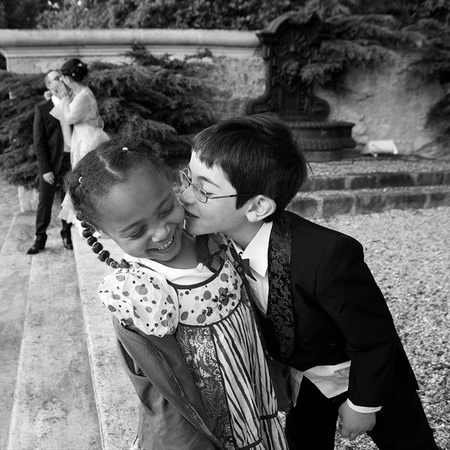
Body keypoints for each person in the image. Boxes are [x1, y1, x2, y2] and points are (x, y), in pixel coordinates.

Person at [180, 114, 440, 450]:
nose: (185, 195)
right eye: (188, 178)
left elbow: (375, 339)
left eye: (202, 189)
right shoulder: (218, 242)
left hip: (363, 372)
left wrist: (363, 405)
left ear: (258, 206)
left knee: (409, 442)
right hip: (304, 375)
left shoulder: (326, 257)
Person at [66, 137, 287, 450]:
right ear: (103, 232)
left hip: (251, 389)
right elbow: (161, 387)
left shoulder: (211, 235)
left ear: (172, 186)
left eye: (166, 209)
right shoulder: (140, 292)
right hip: (208, 421)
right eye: (136, 232)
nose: (160, 232)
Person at [51, 58, 109, 228]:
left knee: (87, 177)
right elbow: (67, 108)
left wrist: (63, 97)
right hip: (83, 136)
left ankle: (96, 217)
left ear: (68, 78)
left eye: (62, 77)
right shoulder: (79, 93)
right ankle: (90, 216)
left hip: (88, 139)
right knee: (83, 177)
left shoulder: (83, 95)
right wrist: (58, 96)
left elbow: (68, 117)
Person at [27, 69, 73, 254]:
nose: (60, 80)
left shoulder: (71, 105)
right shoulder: (42, 109)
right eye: (56, 79)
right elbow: (39, 142)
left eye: (62, 76)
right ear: (48, 85)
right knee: (44, 202)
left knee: (67, 201)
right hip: (51, 164)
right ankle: (40, 237)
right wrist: (45, 169)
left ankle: (67, 234)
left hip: (70, 161)